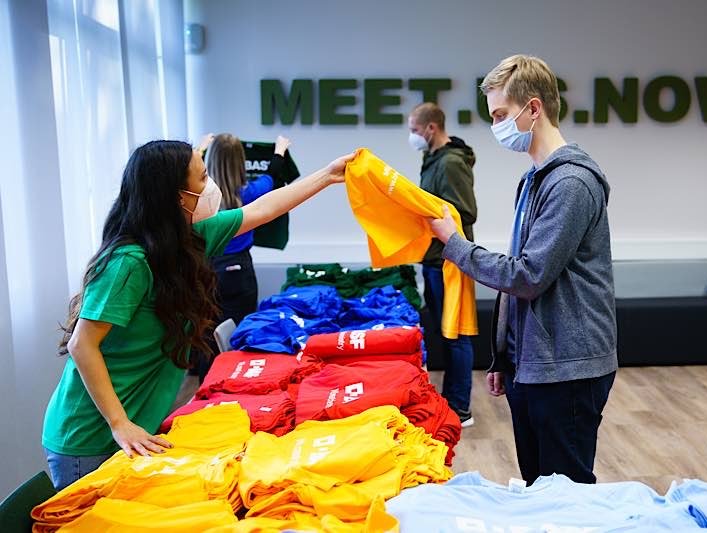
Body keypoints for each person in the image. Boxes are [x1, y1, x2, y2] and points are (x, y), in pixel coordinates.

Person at [41, 139, 353, 489]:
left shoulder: (188, 240)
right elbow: (82, 345)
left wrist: (327, 175)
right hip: (92, 436)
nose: (212, 186)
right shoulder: (128, 263)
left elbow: (262, 210)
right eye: (203, 178)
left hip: (137, 429)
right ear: (177, 196)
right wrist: (119, 423)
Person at [428, 54, 617, 484]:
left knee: (564, 494)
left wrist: (454, 245)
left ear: (534, 108)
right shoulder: (534, 179)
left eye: (500, 115)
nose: (496, 126)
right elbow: (521, 280)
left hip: (568, 368)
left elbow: (528, 275)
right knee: (537, 489)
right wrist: (505, 356)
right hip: (533, 364)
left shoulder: (571, 183)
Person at [192, 133, 290, 382]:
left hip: (207, 270)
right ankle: (238, 385)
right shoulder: (249, 194)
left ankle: (206, 391)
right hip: (239, 271)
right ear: (240, 163)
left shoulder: (198, 199)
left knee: (207, 335)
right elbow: (272, 175)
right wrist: (279, 150)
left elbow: (184, 172)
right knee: (243, 332)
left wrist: (200, 149)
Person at [408, 102, 478, 427]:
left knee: (457, 335)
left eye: (414, 130)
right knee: (444, 334)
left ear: (431, 128)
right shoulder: (432, 158)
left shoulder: (451, 163)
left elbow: (465, 212)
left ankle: (461, 409)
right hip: (433, 260)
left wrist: (431, 220)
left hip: (451, 261)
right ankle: (450, 401)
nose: (413, 136)